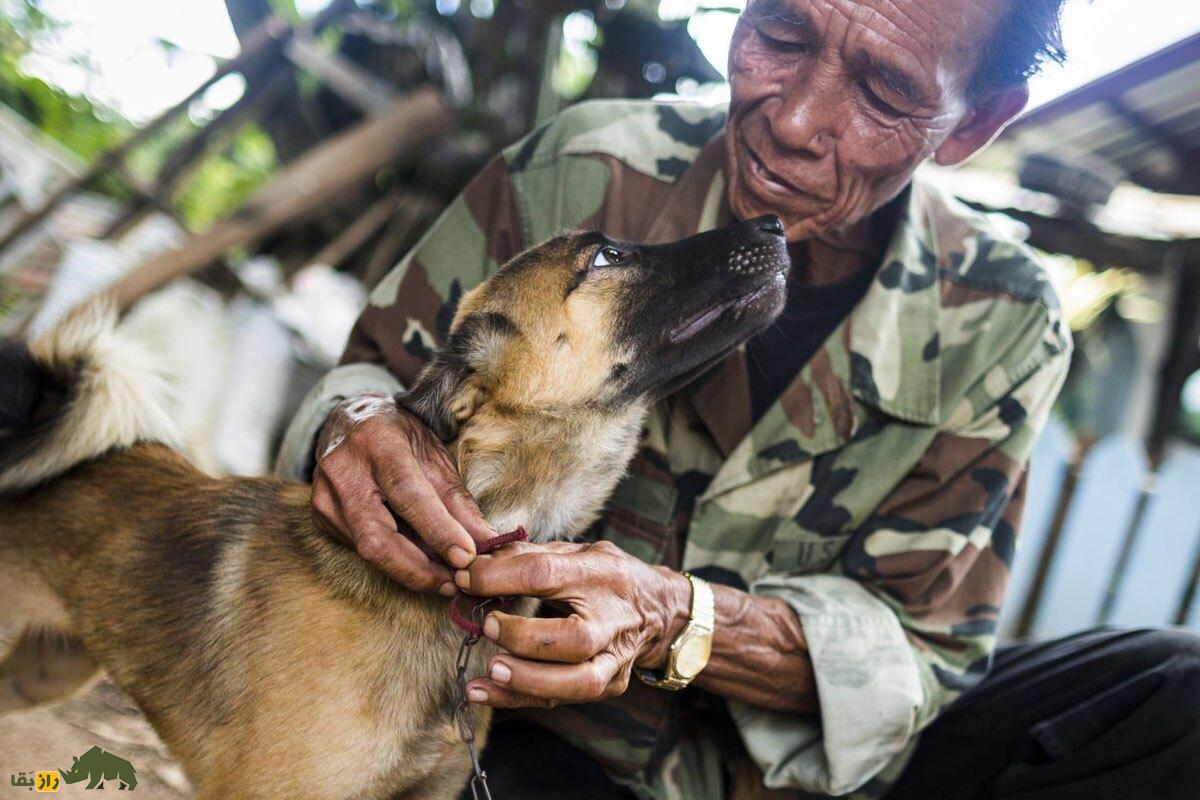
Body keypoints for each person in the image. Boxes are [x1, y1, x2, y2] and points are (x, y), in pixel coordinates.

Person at [277, 1, 1200, 797]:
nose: (794, 119)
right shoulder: (584, 169)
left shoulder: (1003, 320)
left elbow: (923, 653)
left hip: (817, 779)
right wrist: (353, 425)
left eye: (882, 92)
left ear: (970, 125)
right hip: (540, 740)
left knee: (1175, 692)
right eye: (783, 31)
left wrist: (684, 619)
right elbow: (375, 381)